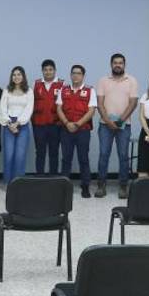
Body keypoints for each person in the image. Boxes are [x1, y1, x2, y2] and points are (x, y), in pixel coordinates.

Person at [95, 53, 139, 199]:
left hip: (124, 125)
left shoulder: (131, 80)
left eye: (120, 63)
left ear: (124, 65)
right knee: (103, 155)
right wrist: (108, 121)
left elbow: (133, 103)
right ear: (111, 64)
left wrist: (120, 121)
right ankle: (101, 185)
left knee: (123, 157)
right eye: (115, 63)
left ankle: (123, 187)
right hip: (104, 125)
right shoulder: (103, 80)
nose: (118, 65)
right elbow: (99, 103)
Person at [56, 64, 97, 198]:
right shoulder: (64, 89)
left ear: (83, 75)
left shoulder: (90, 90)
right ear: (70, 75)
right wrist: (67, 123)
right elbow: (59, 108)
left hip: (83, 130)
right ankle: (64, 187)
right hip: (66, 129)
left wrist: (78, 124)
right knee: (66, 159)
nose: (75, 75)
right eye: (73, 73)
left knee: (83, 159)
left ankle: (85, 186)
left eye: (78, 73)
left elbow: (91, 111)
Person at [0, 66, 34, 183]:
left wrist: (18, 123)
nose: (16, 77)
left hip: (22, 124)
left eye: (19, 74)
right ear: (11, 77)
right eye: (14, 75)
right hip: (8, 124)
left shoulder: (29, 91)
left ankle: (18, 183)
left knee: (20, 155)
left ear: (23, 76)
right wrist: (10, 123)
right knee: (9, 155)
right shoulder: (6, 90)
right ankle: (9, 182)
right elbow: (2, 109)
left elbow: (29, 109)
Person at [32, 59, 64, 175]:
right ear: (42, 71)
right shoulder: (36, 84)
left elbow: (64, 106)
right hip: (39, 125)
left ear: (55, 71)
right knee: (40, 153)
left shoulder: (62, 84)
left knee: (54, 153)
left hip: (55, 125)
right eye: (45, 70)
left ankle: (53, 178)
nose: (48, 72)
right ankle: (39, 177)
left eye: (50, 69)